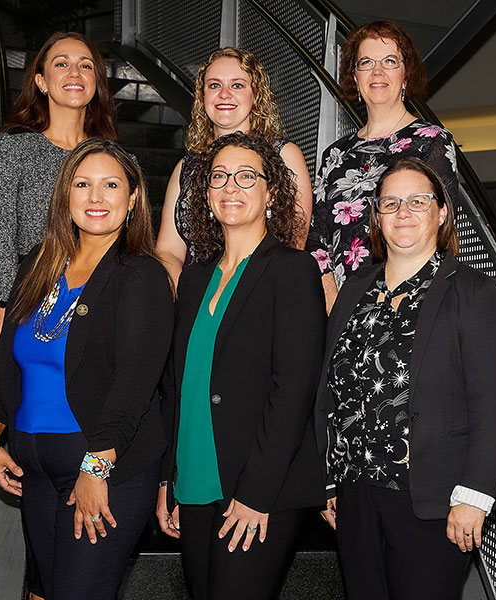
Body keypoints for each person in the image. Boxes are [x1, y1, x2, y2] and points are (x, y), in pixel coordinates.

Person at [0, 138, 172, 600]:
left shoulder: (140, 275)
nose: (96, 196)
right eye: (83, 184)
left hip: (105, 468)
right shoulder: (37, 267)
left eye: (111, 185)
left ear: (133, 198)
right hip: (35, 467)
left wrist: (95, 469)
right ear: (65, 195)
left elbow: (135, 384)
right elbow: (8, 357)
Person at [314, 157, 496, 600]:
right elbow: (330, 388)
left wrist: (474, 495)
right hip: (355, 493)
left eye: (417, 201)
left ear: (442, 212)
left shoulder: (473, 292)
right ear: (377, 217)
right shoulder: (354, 288)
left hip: (433, 499)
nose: (403, 212)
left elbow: (494, 406)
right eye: (390, 203)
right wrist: (330, 480)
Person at [156, 133, 326, 600]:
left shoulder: (292, 270)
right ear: (206, 194)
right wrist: (168, 478)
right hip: (193, 480)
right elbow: (178, 386)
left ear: (272, 192)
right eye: (219, 177)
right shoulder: (193, 278)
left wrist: (257, 493)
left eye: (247, 176)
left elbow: (293, 390)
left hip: (258, 487)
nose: (231, 186)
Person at [306, 20, 460, 312]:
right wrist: (334, 304)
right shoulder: (335, 154)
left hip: (408, 306)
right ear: (354, 76)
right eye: (366, 62)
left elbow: (440, 230)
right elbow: (315, 237)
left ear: (405, 75)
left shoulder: (431, 142)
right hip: (339, 308)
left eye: (390, 61)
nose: (377, 71)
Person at [0, 31, 116, 339]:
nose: (74, 73)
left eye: (85, 65)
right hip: (32, 304)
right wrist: (5, 309)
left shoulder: (114, 160)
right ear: (41, 81)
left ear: (96, 82)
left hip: (100, 304)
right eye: (61, 64)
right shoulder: (13, 149)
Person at [155, 47, 313, 283]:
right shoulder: (186, 168)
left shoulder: (284, 155)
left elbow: (294, 238)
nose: (224, 94)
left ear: (256, 95)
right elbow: (168, 251)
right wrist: (188, 296)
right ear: (202, 96)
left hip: (260, 292)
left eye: (237, 85)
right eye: (214, 85)